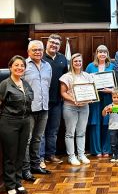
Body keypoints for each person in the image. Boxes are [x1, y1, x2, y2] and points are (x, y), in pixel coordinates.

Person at [0, 56, 34, 194]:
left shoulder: (25, 84)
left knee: (21, 154)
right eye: (16, 65)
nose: (19, 67)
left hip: (25, 121)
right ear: (10, 67)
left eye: (22, 65)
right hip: (9, 122)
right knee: (10, 155)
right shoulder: (4, 84)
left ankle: (18, 182)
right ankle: (10, 185)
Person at [22, 40, 52, 182]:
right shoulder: (23, 65)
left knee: (37, 139)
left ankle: (35, 165)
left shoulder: (47, 66)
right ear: (28, 52)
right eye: (34, 50)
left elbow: (47, 85)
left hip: (44, 107)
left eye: (40, 49)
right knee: (27, 140)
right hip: (28, 109)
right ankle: (25, 170)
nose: (38, 52)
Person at [60, 53, 93, 166]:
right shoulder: (66, 76)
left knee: (81, 132)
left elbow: (92, 91)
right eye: (75, 61)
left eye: (79, 61)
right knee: (70, 133)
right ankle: (71, 156)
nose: (78, 63)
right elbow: (63, 93)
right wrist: (74, 100)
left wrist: (92, 98)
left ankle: (81, 154)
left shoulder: (87, 76)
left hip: (84, 107)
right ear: (72, 63)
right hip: (70, 107)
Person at [40, 34, 68, 168]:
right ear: (47, 43)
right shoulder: (40, 57)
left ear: (59, 46)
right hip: (42, 101)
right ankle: (40, 157)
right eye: (52, 42)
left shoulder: (63, 59)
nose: (54, 45)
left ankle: (50, 155)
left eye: (57, 43)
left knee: (53, 130)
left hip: (57, 101)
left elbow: (67, 79)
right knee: (40, 131)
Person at [86, 45, 115, 157]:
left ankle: (106, 149)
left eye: (105, 52)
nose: (102, 54)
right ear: (96, 54)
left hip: (108, 98)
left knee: (107, 122)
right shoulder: (90, 66)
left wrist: (111, 90)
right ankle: (96, 150)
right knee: (95, 122)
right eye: (100, 52)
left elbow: (117, 85)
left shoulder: (112, 66)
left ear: (107, 54)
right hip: (94, 99)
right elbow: (86, 83)